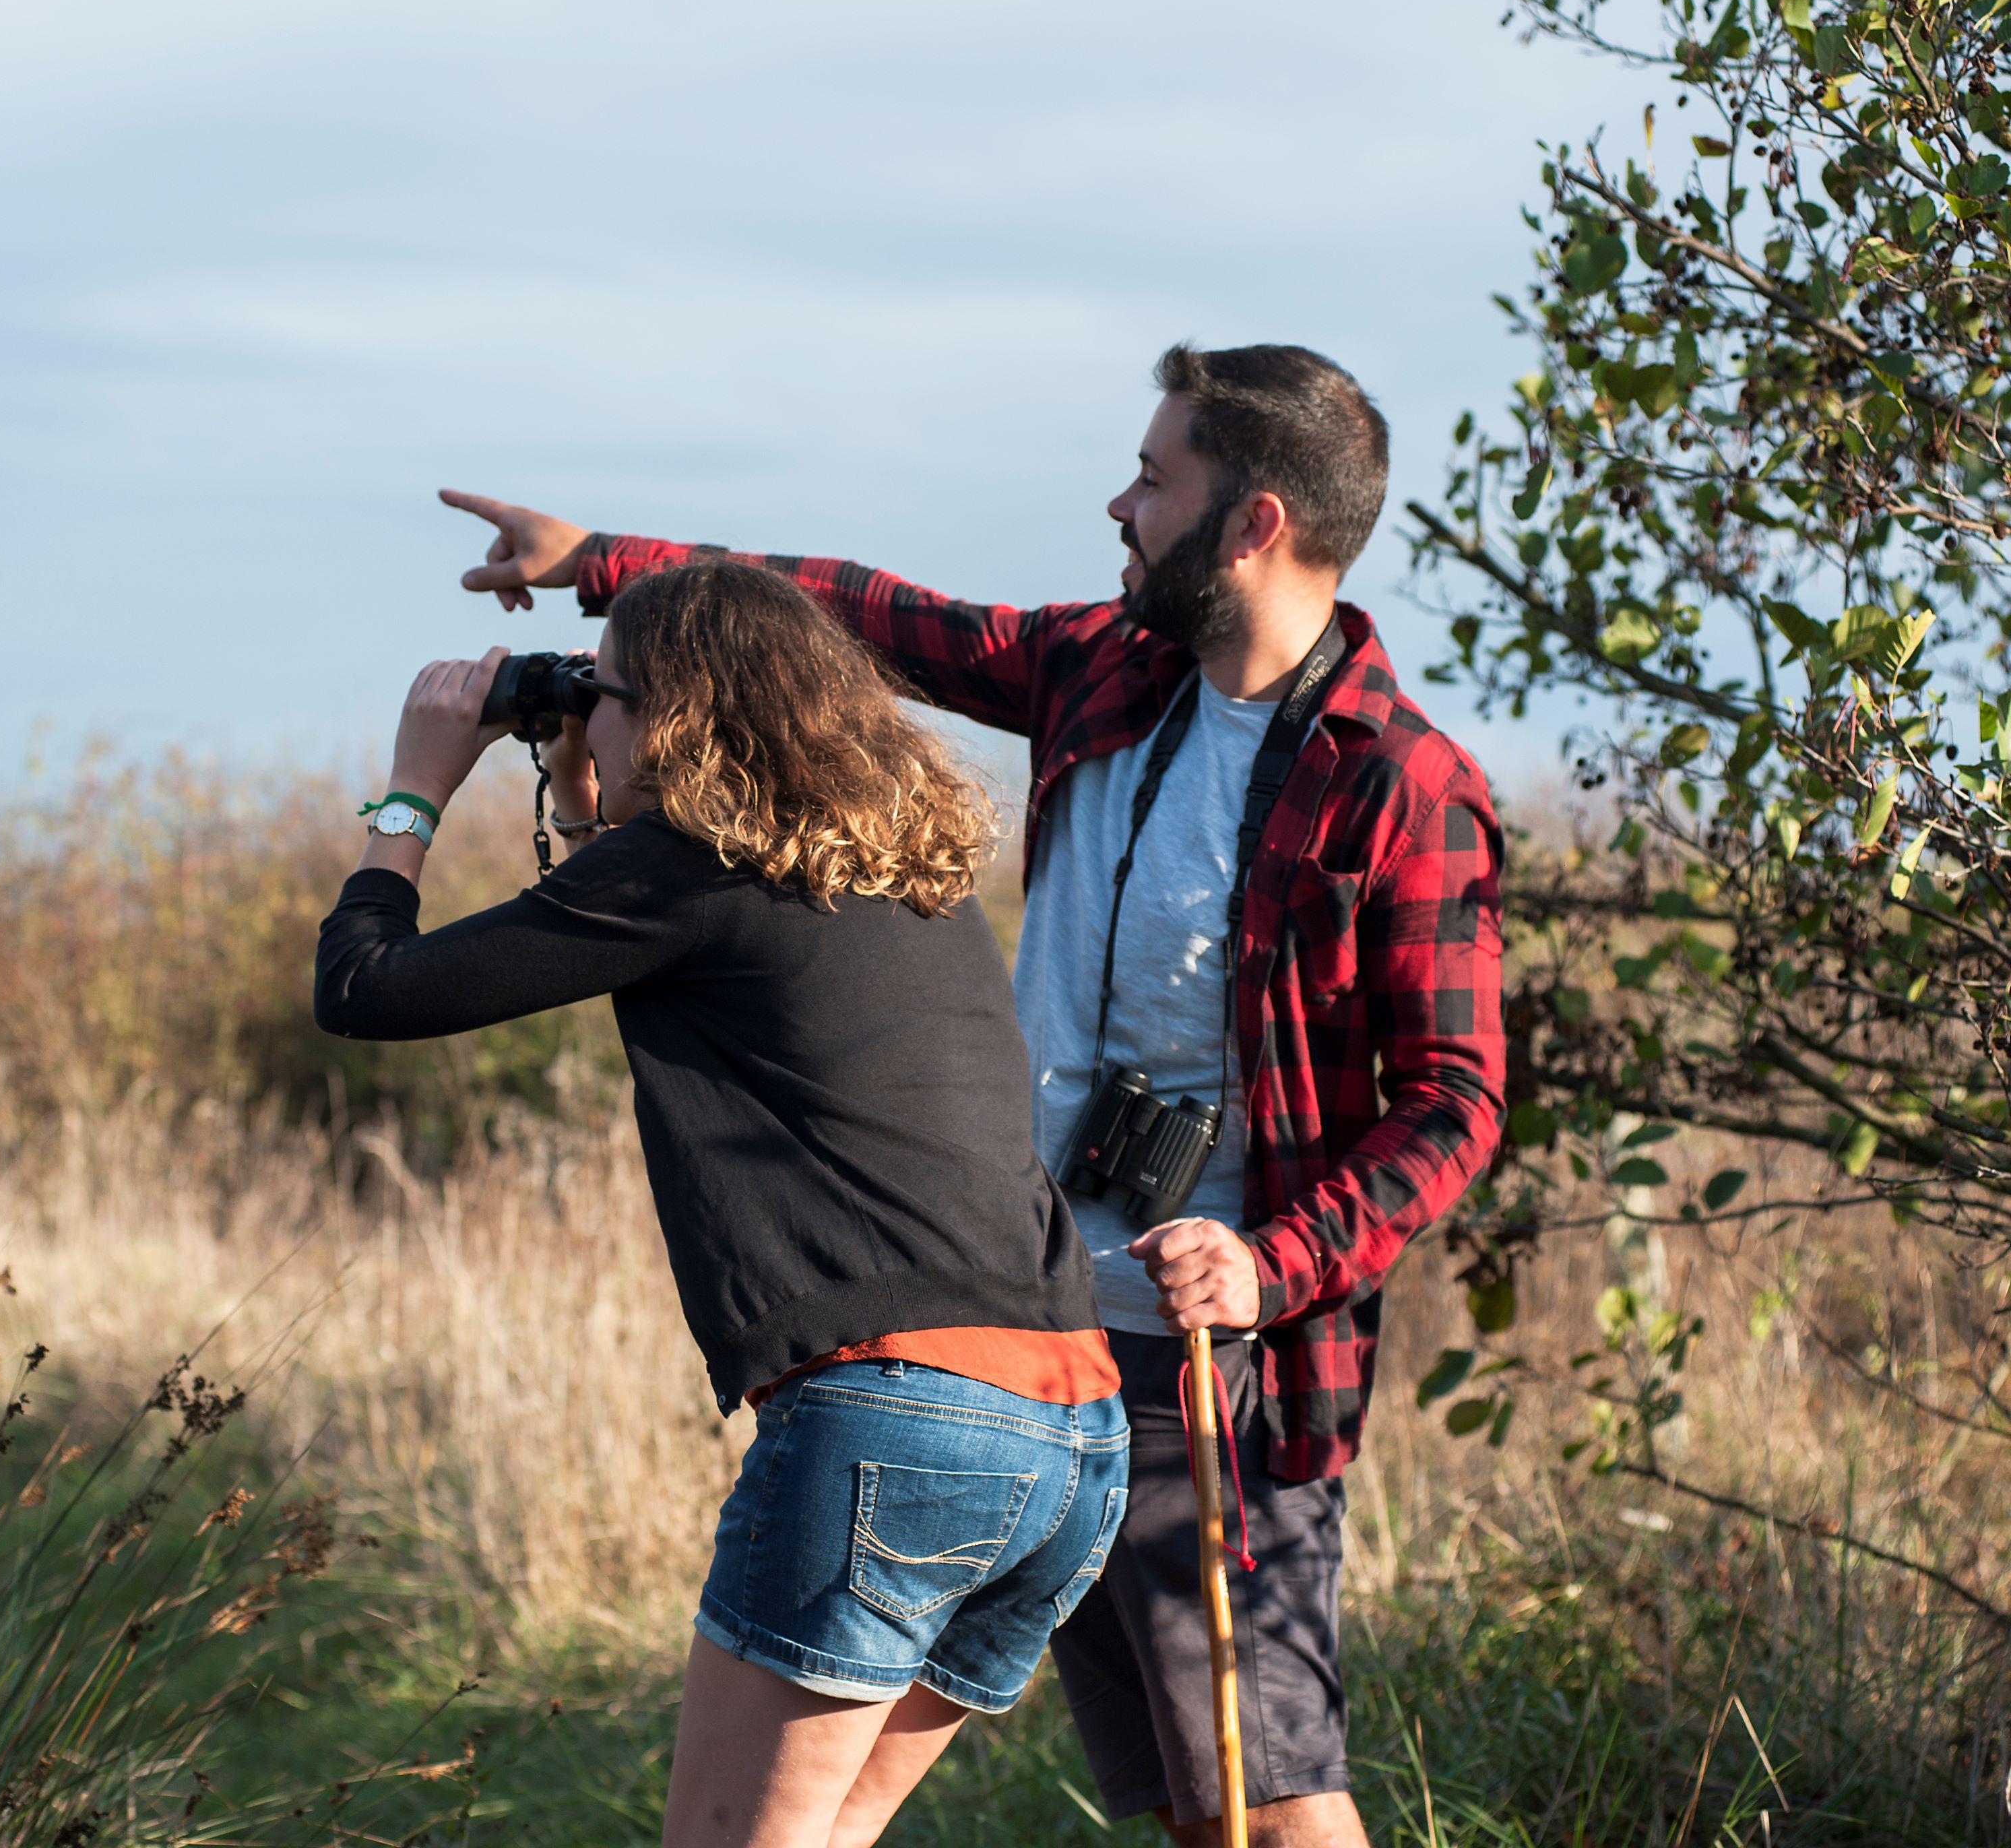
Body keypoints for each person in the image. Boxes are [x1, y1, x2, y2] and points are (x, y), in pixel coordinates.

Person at [439, 343, 1506, 1848]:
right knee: (1198, 1814)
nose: (1119, 504)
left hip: (1223, 1373)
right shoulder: (1102, 668)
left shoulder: (1398, 782)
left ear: (1253, 521)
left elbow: (1456, 1101)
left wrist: (1275, 1265)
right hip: (1039, 1340)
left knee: (1269, 1810)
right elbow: (865, 612)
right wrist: (604, 565)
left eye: (1155, 478)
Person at [315, 561, 1130, 1848]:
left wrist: (413, 786)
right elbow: (633, 929)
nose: (600, 718)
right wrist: (586, 794)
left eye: (612, 699)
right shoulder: (901, 874)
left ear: (676, 720)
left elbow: (365, 987)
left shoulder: (684, 869)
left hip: (896, 1419)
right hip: (1066, 1434)